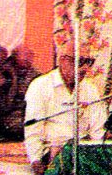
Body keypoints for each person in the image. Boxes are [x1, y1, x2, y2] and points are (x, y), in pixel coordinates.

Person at [24, 41, 107, 175]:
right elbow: (33, 129)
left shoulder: (90, 89)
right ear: (63, 60)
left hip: (83, 151)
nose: (85, 68)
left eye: (89, 62)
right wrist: (36, 161)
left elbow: (97, 131)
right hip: (53, 153)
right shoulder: (40, 85)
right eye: (80, 61)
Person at [0, 45, 41, 140]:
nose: (25, 70)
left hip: (29, 111)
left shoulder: (36, 75)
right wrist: (14, 79)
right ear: (12, 61)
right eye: (21, 67)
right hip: (8, 115)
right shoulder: (3, 73)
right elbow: (5, 106)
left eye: (28, 63)